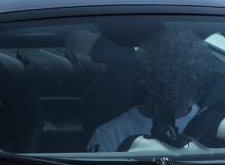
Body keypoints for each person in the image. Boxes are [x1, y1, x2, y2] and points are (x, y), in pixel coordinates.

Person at [88, 23, 217, 152]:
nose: (178, 74)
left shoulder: (213, 128)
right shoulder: (109, 136)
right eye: (165, 66)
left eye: (185, 64)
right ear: (146, 73)